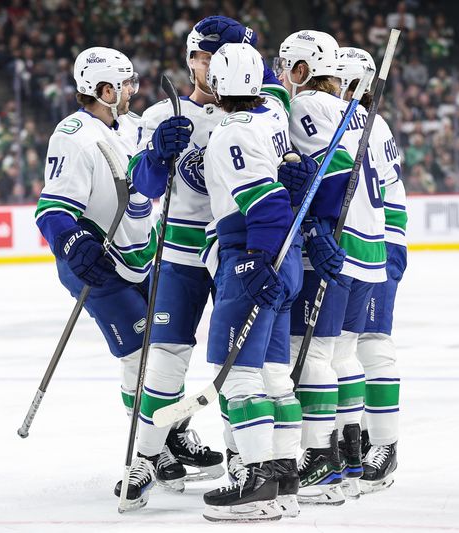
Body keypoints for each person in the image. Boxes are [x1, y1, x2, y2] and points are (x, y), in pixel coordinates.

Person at [128, 16, 305, 509]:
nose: (205, 65)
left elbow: (287, 160)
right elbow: (142, 188)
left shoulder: (265, 108)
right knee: (164, 363)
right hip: (184, 252)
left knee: (239, 369)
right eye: (200, 55)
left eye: (217, 55)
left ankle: (245, 465)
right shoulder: (163, 115)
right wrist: (156, 157)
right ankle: (144, 458)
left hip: (236, 250)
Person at [33, 46, 190, 511]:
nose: (132, 90)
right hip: (96, 262)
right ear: (104, 90)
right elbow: (53, 208)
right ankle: (152, 451)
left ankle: (170, 435)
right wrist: (72, 244)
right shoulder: (74, 136)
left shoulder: (133, 125)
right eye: (125, 84)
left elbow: (148, 182)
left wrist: (163, 153)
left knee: (164, 351)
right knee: (140, 355)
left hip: (142, 252)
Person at [277, 30, 387, 504]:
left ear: (302, 71)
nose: (281, 78)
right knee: (342, 355)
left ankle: (321, 461)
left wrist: (317, 229)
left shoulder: (305, 107)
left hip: (334, 245)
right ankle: (350, 454)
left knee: (314, 354)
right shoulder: (357, 110)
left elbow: (334, 172)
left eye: (285, 68)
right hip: (368, 247)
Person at [198, 42, 301, 522]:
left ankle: (257, 484)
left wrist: (257, 260)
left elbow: (263, 203)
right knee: (276, 374)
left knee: (235, 373)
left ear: (218, 85)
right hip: (290, 252)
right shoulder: (274, 115)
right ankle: (284, 480)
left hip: (253, 252)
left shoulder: (230, 134)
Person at [336, 46, 407, 494]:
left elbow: (388, 191)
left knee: (372, 345)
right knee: (344, 348)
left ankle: (385, 444)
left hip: (378, 247)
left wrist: (392, 251)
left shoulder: (369, 125)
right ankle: (357, 434)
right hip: (362, 247)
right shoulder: (355, 121)